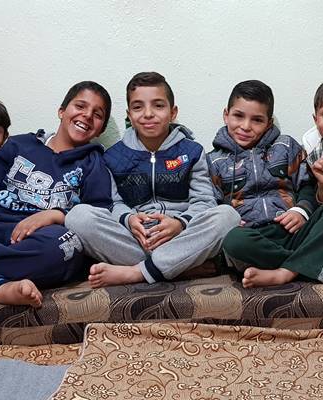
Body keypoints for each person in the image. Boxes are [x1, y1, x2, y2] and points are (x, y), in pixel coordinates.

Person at [0, 81, 114, 306]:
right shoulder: (19, 145)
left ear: (101, 129)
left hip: (42, 240)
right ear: (61, 111)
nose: (87, 115)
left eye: (97, 114)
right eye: (80, 106)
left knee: (67, 246)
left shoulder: (95, 163)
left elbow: (98, 216)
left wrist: (55, 215)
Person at [65, 72, 240, 288]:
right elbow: (113, 203)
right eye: (138, 107)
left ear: (173, 112)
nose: (148, 114)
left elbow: (204, 201)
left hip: (181, 237)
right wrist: (129, 219)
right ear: (129, 115)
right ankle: (177, 268)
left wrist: (180, 224)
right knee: (78, 216)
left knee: (228, 215)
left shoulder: (192, 151)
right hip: (136, 239)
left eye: (158, 106)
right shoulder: (112, 157)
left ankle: (139, 272)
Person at [207, 80, 323, 288]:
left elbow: (306, 185)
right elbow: (213, 204)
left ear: (268, 123)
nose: (245, 126)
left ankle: (285, 272)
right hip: (254, 239)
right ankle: (316, 262)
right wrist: (230, 220)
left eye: (257, 120)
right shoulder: (213, 161)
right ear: (226, 115)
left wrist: (301, 210)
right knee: (233, 240)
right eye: (238, 116)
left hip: (295, 231)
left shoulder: (286, 146)